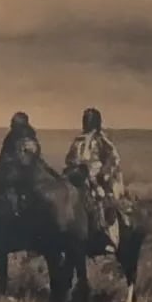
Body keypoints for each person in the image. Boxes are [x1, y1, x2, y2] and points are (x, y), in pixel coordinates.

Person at [65, 107, 125, 253]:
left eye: (90, 119)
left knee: (101, 199)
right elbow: (69, 158)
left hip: (96, 176)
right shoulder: (78, 140)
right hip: (77, 175)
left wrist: (103, 173)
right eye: (86, 119)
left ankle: (109, 238)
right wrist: (73, 166)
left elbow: (113, 158)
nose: (87, 122)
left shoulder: (101, 140)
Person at [0, 111, 42, 219]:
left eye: (14, 124)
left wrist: (15, 163)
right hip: (9, 169)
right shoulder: (11, 137)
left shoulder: (28, 137)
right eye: (12, 123)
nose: (11, 126)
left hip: (24, 172)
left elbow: (28, 158)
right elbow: (4, 155)